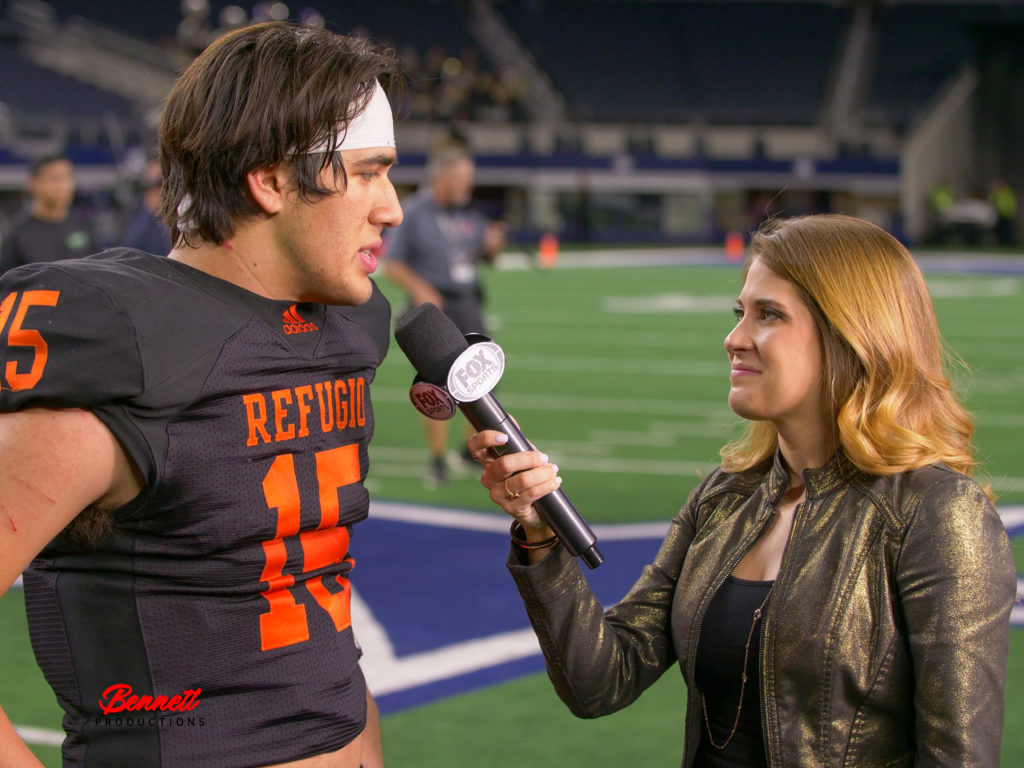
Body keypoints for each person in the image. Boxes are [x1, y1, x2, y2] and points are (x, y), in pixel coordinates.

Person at [467, 214, 1016, 767]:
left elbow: (958, 757)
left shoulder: (936, 514)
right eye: (741, 314)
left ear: (852, 333)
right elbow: (601, 681)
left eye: (769, 315)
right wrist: (542, 536)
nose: (734, 339)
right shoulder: (725, 497)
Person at [0, 21, 403, 768]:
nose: (391, 207)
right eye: (367, 173)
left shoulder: (345, 329)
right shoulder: (132, 344)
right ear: (271, 180)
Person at [383, 134, 506, 487]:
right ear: (442, 177)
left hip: (467, 300)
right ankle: (437, 459)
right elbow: (392, 263)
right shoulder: (414, 212)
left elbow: (482, 255)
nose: (467, 186)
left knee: (483, 379)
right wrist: (420, 288)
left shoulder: (466, 212)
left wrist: (492, 246)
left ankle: (469, 451)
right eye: (462, 178)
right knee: (437, 388)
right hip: (432, 308)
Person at [0, 154, 95, 274]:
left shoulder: (83, 225)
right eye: (54, 179)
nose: (63, 186)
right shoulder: (16, 232)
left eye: (67, 178)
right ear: (33, 184)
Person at [120, 157, 172, 255]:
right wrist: (150, 210)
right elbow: (130, 245)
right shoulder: (138, 210)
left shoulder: (181, 215)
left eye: (159, 184)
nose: (155, 192)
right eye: (148, 185)